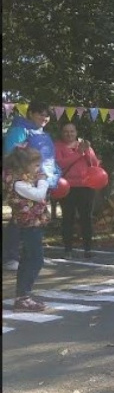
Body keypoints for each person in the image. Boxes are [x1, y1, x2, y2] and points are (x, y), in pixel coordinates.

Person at [2, 102, 60, 271]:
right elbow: (12, 155)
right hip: (24, 181)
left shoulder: (42, 133)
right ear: (31, 114)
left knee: (37, 218)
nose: (44, 118)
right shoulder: (20, 130)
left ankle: (34, 254)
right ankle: (10, 257)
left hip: (41, 179)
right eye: (41, 114)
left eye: (47, 115)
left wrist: (52, 175)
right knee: (18, 218)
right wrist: (23, 179)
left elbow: (48, 158)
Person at [3, 147, 50, 311]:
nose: (39, 169)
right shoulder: (18, 184)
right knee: (35, 260)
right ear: (24, 166)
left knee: (28, 259)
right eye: (36, 165)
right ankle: (23, 296)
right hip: (28, 225)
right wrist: (43, 180)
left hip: (33, 224)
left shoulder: (23, 180)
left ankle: (22, 296)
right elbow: (39, 195)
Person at [54, 123, 100, 258]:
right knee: (68, 218)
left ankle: (88, 248)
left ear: (76, 132)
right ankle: (68, 248)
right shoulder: (58, 146)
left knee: (86, 218)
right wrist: (78, 153)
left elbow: (95, 164)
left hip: (85, 186)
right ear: (62, 133)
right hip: (67, 186)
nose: (69, 134)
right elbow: (60, 163)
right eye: (66, 131)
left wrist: (87, 151)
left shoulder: (84, 145)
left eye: (72, 131)